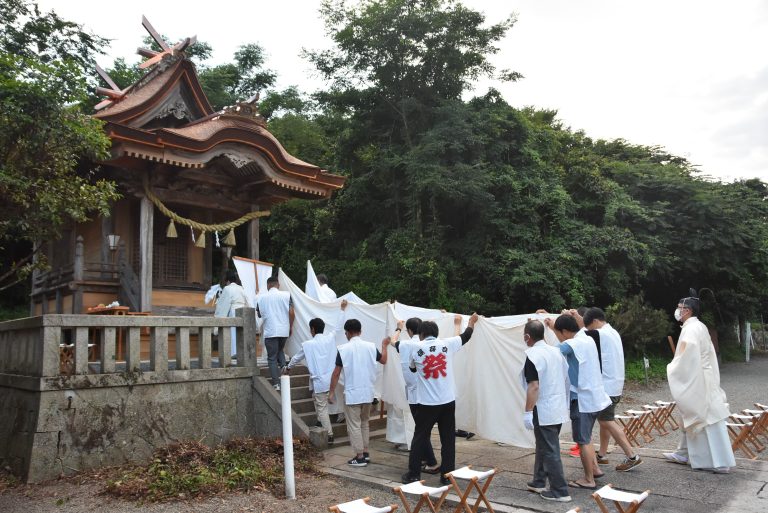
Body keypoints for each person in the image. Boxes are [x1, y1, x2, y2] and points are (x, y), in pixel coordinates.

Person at [402, 312, 480, 486]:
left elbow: (413, 369)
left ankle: (413, 474)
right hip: (447, 401)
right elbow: (466, 336)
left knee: (420, 437)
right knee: (448, 440)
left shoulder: (415, 348)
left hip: (427, 403)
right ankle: (446, 476)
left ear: (421, 335)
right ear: (436, 334)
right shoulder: (447, 344)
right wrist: (472, 321)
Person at [664, 294, 735, 473]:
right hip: (705, 375)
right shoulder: (699, 326)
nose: (678, 310)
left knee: (705, 417)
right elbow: (709, 354)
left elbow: (688, 357)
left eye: (680, 307)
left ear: (687, 310)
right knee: (691, 416)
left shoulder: (691, 329)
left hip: (698, 378)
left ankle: (719, 462)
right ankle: (683, 452)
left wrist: (673, 367)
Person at [545, 313, 610, 490]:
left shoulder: (572, 344)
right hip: (596, 397)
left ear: (565, 332)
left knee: (583, 440)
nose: (558, 337)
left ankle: (589, 479)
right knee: (587, 437)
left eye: (558, 333)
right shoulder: (585, 337)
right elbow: (572, 331)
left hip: (582, 400)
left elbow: (550, 354)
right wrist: (553, 326)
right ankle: (595, 469)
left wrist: (538, 336)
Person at [580, 308, 643, 472]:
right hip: (614, 385)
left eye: (590, 327)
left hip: (607, 387)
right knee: (605, 421)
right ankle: (601, 455)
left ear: (595, 321)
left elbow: (579, 334)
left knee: (606, 421)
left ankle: (632, 456)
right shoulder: (612, 332)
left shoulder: (602, 334)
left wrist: (569, 317)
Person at [283, 300, 349, 443]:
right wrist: (342, 309)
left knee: (322, 407)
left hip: (319, 381)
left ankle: (329, 435)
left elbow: (295, 358)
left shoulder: (308, 345)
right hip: (331, 380)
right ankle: (321, 422)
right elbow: (338, 327)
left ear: (312, 329)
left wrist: (288, 368)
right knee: (321, 403)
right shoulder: (330, 339)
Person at [328, 318, 390, 467]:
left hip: (353, 394)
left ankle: (359, 456)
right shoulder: (370, 347)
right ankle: (366, 452)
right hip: (368, 392)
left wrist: (330, 393)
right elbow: (383, 360)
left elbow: (336, 373)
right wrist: (384, 345)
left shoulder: (343, 349)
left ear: (347, 333)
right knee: (364, 423)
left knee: (354, 425)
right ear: (360, 331)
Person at [522, 320, 572, 503]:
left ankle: (560, 490)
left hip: (544, 408)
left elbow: (533, 386)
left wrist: (527, 411)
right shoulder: (556, 352)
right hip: (557, 406)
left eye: (524, 335)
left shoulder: (533, 355)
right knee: (544, 445)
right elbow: (566, 378)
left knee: (550, 449)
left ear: (528, 336)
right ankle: (538, 481)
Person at [391, 318, 439, 471]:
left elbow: (393, 341)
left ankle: (431, 462)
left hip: (414, 395)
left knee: (421, 430)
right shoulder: (429, 345)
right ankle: (426, 458)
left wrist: (398, 328)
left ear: (410, 331)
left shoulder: (406, 345)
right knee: (423, 428)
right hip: (429, 394)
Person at [256, 276, 294, 390]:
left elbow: (259, 315)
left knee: (272, 357)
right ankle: (284, 373)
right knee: (280, 351)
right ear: (278, 285)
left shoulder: (261, 298)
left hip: (271, 331)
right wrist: (290, 326)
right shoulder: (287, 295)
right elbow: (292, 313)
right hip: (284, 330)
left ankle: (277, 383)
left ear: (268, 285)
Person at [213, 270, 248, 357]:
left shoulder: (227, 288)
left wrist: (218, 317)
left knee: (233, 332)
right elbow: (248, 302)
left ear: (228, 281)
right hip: (243, 311)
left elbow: (223, 305)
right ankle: (242, 352)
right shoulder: (242, 288)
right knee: (241, 333)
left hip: (233, 312)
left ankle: (234, 353)